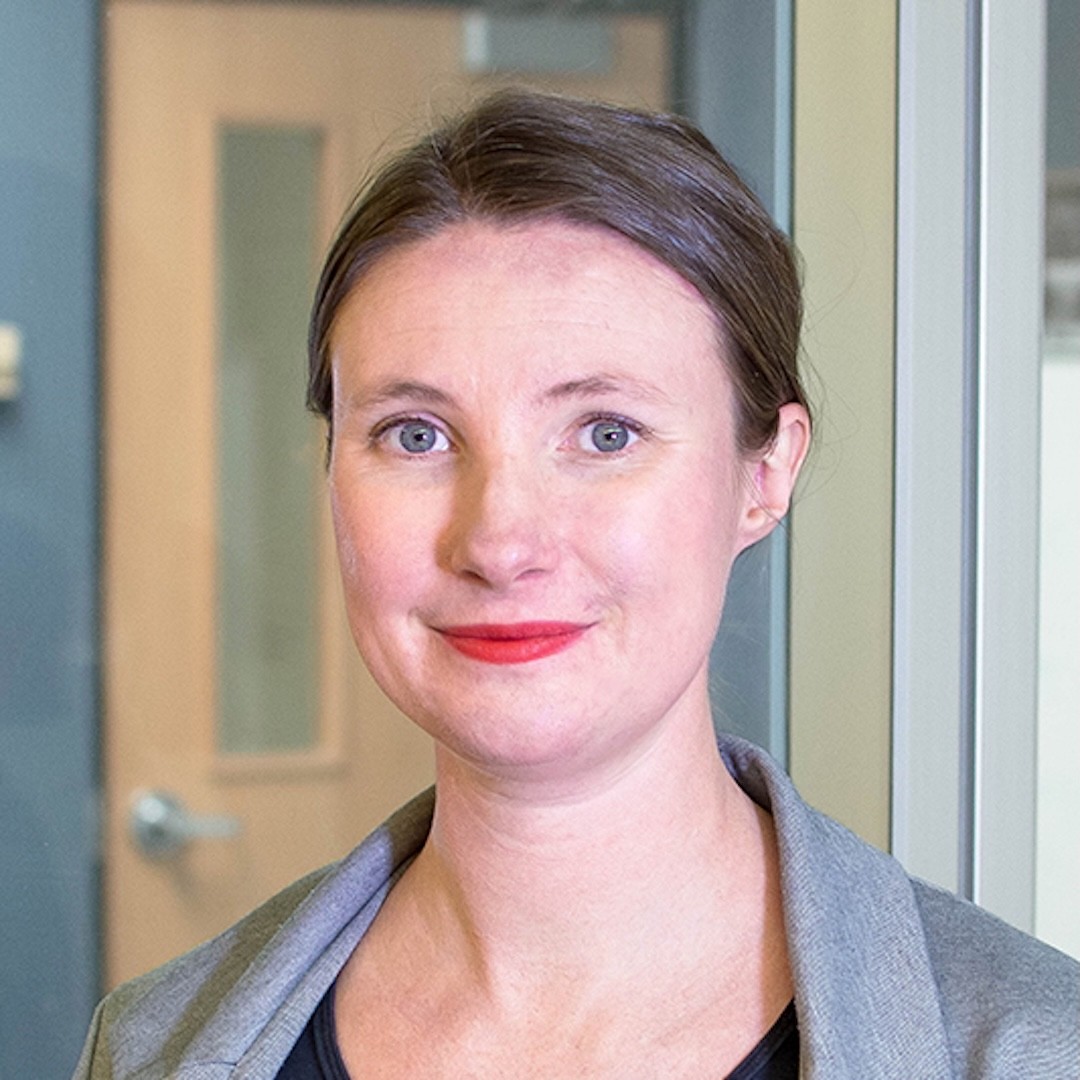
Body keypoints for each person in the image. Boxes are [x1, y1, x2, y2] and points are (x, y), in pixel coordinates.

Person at [75, 89, 1078, 1080]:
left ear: (764, 477)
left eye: (606, 432)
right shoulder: (154, 1044)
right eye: (415, 435)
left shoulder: (1031, 1049)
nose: (501, 541)